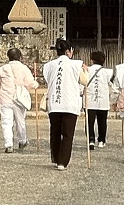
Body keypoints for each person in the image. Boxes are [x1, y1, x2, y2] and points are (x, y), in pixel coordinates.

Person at [43, 38, 88, 171]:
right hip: (70, 103)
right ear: (69, 51)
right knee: (68, 134)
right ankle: (62, 161)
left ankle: (56, 158)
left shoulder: (49, 65)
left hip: (55, 102)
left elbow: (47, 79)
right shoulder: (76, 65)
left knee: (55, 132)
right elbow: (84, 81)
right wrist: (85, 70)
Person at [0, 48, 39, 154]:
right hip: (19, 99)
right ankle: (22, 141)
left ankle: (8, 145)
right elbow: (30, 83)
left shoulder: (2, 69)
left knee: (6, 122)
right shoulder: (23, 68)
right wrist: (35, 84)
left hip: (5, 98)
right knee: (20, 121)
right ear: (20, 57)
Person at [84, 51, 113, 150]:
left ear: (92, 60)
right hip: (103, 101)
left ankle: (91, 140)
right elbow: (112, 85)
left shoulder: (87, 70)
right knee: (102, 121)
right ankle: (101, 140)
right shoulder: (108, 72)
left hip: (89, 101)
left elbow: (82, 83)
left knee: (89, 122)